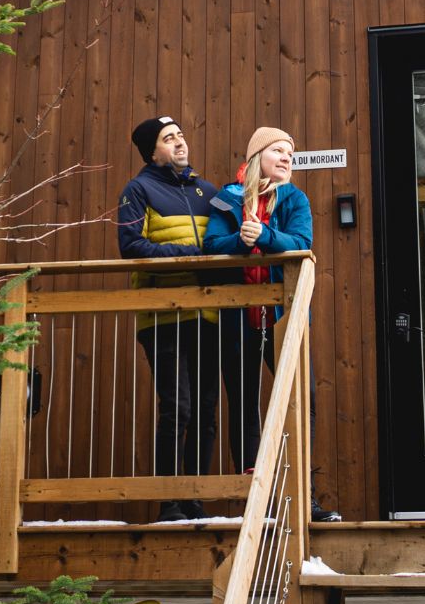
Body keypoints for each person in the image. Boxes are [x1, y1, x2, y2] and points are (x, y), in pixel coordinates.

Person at [204, 127, 341, 522]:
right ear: (256, 155)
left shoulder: (295, 198)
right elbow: (212, 245)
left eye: (291, 154)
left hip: (283, 319)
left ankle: (302, 498)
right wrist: (240, 242)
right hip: (238, 320)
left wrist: (264, 233)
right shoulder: (226, 199)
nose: (286, 158)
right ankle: (254, 500)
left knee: (302, 404)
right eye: (278, 150)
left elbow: (301, 242)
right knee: (244, 402)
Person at [116, 114, 227, 521]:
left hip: (208, 314)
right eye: (168, 138)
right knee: (176, 407)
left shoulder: (208, 191)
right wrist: (191, 257)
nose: (179, 142)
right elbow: (131, 246)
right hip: (161, 316)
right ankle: (169, 503)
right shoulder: (138, 189)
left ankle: (194, 499)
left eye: (180, 135)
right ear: (151, 151)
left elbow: (224, 239)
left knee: (205, 410)